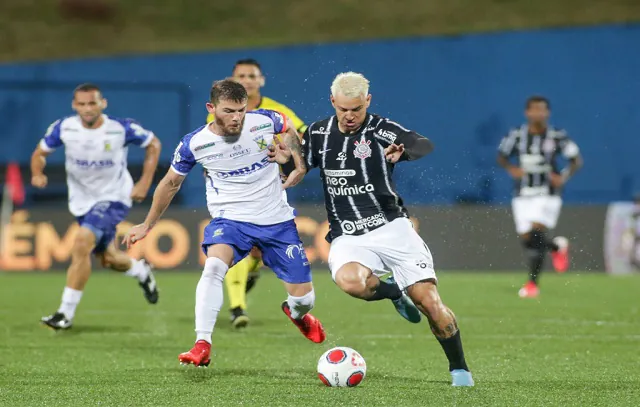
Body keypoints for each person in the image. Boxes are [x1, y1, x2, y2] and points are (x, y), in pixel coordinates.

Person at [271, 72, 473, 386]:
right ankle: (394, 292)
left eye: (357, 109)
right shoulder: (318, 133)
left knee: (430, 303)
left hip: (392, 229)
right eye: (343, 109)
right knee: (351, 283)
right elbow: (296, 148)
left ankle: (459, 370)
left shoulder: (381, 129)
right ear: (332, 101)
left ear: (368, 101)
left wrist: (404, 151)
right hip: (348, 235)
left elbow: (423, 143)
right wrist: (289, 157)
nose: (350, 116)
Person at [124, 79, 325, 368]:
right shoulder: (195, 143)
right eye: (229, 111)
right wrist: (147, 224)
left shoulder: (264, 120)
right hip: (230, 219)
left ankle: (296, 314)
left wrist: (298, 163)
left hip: (276, 220)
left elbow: (289, 129)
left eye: (241, 110)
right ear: (211, 108)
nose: (236, 118)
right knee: (214, 266)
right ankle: (202, 343)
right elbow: (170, 184)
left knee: (305, 299)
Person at [32, 83, 161, 330]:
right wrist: (37, 172)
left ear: (103, 103)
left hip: (114, 197)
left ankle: (64, 314)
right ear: (74, 105)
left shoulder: (120, 128)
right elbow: (39, 153)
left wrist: (145, 182)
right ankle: (141, 270)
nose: (87, 108)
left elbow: (154, 144)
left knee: (81, 242)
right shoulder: (64, 127)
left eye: (92, 103)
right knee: (109, 259)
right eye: (81, 104)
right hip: (81, 203)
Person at [207, 58, 308, 329]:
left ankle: (250, 274)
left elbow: (300, 135)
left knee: (255, 251)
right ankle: (237, 306)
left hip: (271, 187)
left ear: (261, 80)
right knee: (234, 241)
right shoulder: (220, 112)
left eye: (252, 75)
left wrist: (290, 156)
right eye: (242, 75)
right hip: (236, 193)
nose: (248, 80)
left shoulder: (275, 111)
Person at [497, 96, 583, 298]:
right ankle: (556, 246)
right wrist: (512, 169)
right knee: (528, 239)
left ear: (548, 113)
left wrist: (563, 176)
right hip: (522, 193)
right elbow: (501, 155)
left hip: (547, 193)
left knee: (536, 233)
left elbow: (576, 159)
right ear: (527, 113)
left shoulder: (557, 135)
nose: (538, 113)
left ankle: (532, 284)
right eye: (534, 109)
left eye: (542, 110)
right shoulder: (517, 135)